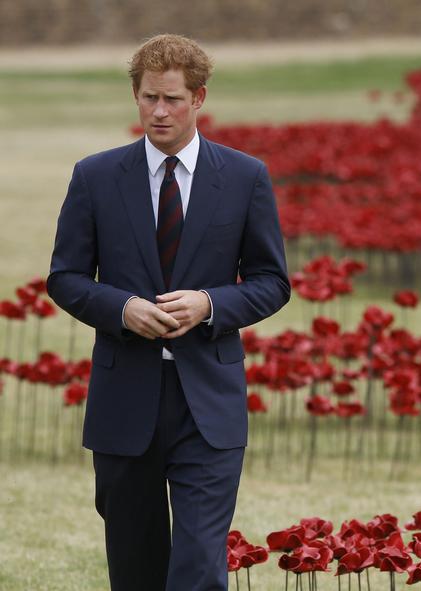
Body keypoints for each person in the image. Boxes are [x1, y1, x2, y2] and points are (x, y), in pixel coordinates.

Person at [47, 34, 290, 590]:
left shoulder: (246, 177)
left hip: (209, 400)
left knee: (200, 564)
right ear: (135, 95)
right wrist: (122, 308)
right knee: (136, 568)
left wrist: (210, 304)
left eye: (173, 99)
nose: (159, 111)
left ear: (199, 98)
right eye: (149, 97)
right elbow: (65, 277)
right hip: (123, 400)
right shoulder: (96, 176)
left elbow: (272, 282)